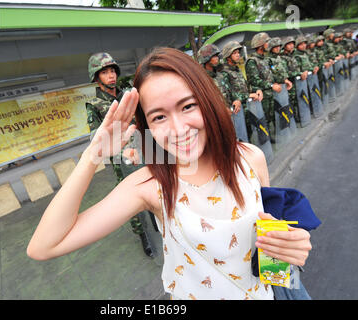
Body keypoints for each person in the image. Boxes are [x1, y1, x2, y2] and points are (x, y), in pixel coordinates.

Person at [27, 47, 313, 300]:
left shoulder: (250, 158)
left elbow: (267, 250)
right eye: (159, 116)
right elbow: (44, 246)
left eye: (188, 106)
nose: (177, 129)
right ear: (147, 126)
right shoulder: (149, 185)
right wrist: (92, 156)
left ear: (208, 101)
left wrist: (287, 252)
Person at [85, 52, 153, 257]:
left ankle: (158, 221)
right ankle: (144, 235)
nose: (111, 75)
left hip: (143, 147)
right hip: (122, 157)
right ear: (96, 77)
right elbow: (97, 139)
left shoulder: (127, 95)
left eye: (113, 71)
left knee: (152, 184)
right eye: (105, 72)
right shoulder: (94, 105)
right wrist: (124, 151)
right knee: (131, 194)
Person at [220, 40, 263, 139]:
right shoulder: (224, 72)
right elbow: (230, 94)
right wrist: (248, 95)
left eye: (238, 52)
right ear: (228, 55)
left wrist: (254, 91)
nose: (238, 55)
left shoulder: (236, 69)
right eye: (234, 53)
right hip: (236, 111)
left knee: (249, 134)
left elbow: (244, 86)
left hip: (246, 107)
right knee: (241, 137)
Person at [245, 32, 282, 142]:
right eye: (266, 42)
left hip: (271, 93)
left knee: (271, 116)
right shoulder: (252, 61)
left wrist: (278, 81)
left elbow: (272, 73)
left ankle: (271, 137)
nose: (268, 44)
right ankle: (264, 141)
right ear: (260, 45)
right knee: (263, 119)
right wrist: (271, 85)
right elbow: (254, 80)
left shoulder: (265, 59)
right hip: (262, 96)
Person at [197, 44, 232, 109]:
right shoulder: (201, 80)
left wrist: (236, 100)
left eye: (217, 56)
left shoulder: (220, 75)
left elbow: (229, 94)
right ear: (206, 59)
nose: (217, 58)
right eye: (214, 56)